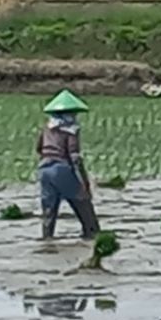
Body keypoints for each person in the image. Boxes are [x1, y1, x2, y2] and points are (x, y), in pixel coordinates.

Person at [37, 89, 100, 240]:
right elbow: (75, 157)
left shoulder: (47, 129)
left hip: (44, 170)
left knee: (49, 209)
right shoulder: (71, 130)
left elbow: (39, 149)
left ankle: (47, 239)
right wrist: (84, 182)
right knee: (82, 202)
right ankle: (92, 234)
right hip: (62, 169)